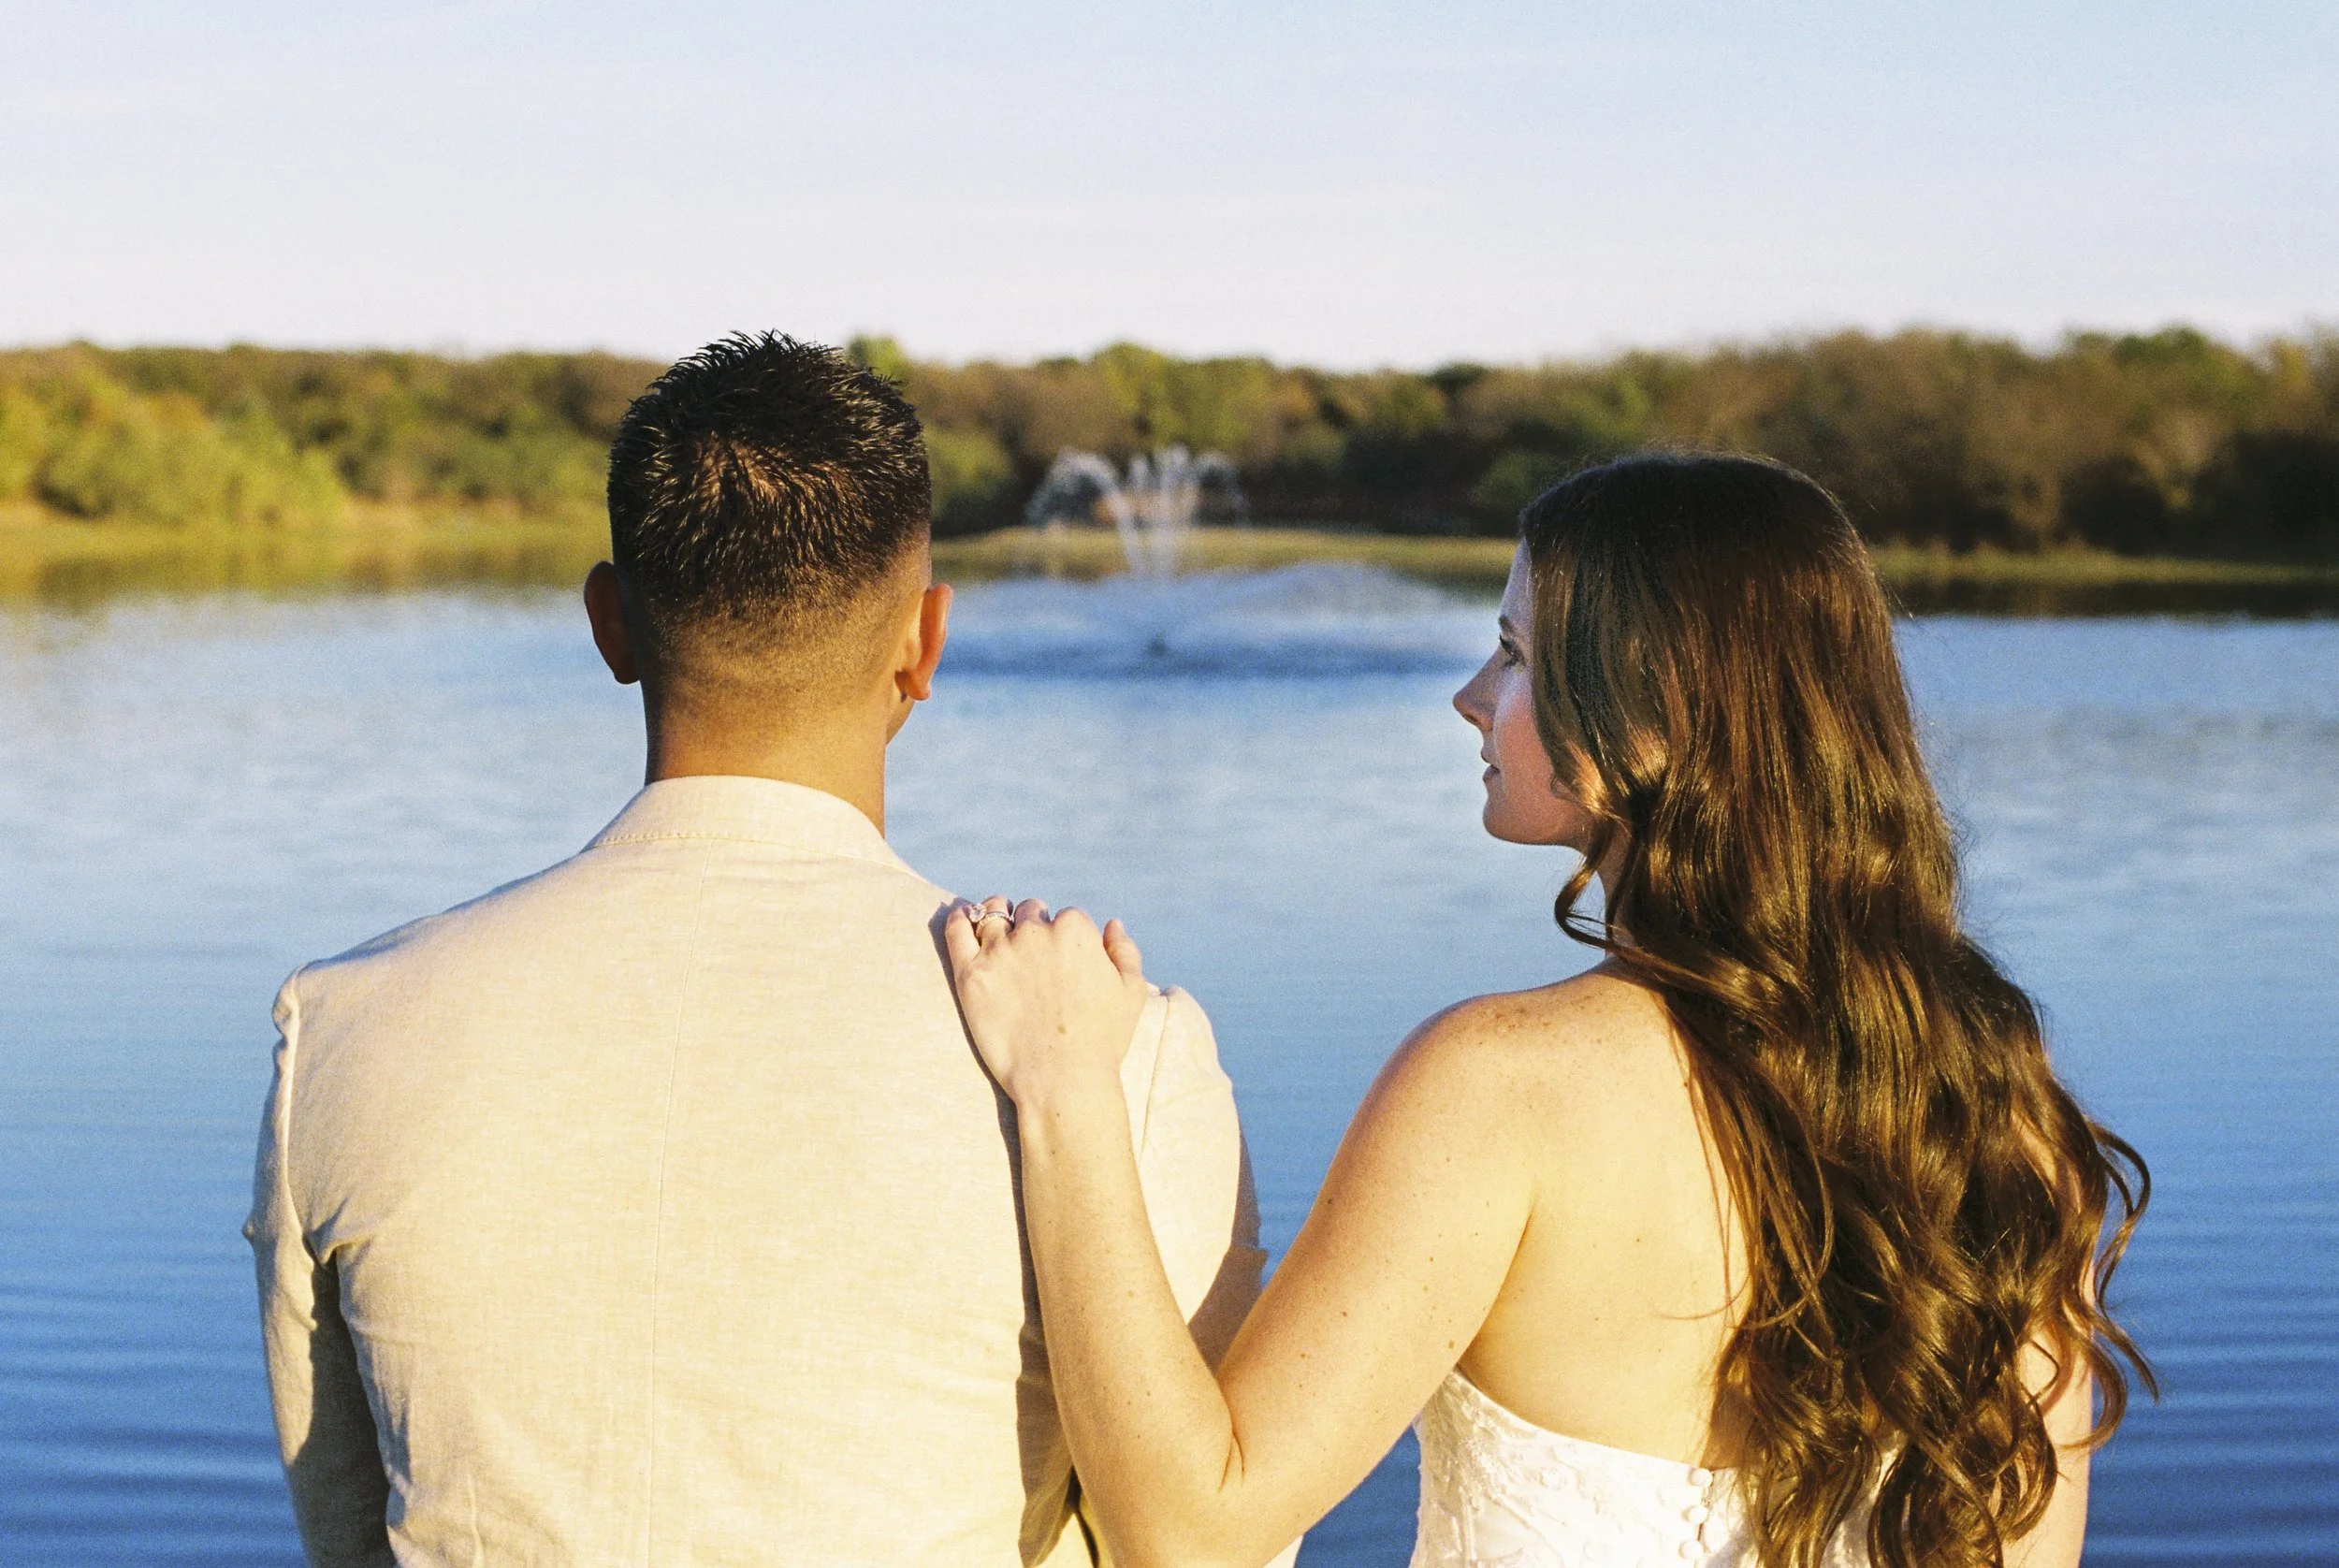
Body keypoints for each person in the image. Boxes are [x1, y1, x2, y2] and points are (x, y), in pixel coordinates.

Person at [942, 454, 2152, 1568]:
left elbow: (1192, 1531)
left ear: (1656, 715)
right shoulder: (1998, 1105)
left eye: (1517, 654)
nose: (1471, 697)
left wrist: (1068, 1092)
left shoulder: (1500, 1087)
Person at [245, 332, 1287, 1567]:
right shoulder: (1119, 1046)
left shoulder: (347, 1025)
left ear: (608, 625)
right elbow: (1206, 1542)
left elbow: (349, 1529)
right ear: (925, 642)